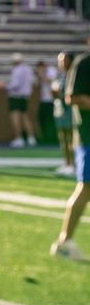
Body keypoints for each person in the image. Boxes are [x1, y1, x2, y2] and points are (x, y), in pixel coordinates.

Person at [53, 42, 90, 261]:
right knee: (85, 188)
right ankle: (64, 241)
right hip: (88, 135)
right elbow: (73, 97)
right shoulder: (84, 63)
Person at [53, 51, 76, 176]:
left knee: (70, 138)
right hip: (59, 109)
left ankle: (73, 164)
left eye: (63, 60)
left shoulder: (73, 74)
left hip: (70, 110)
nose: (61, 63)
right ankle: (67, 163)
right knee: (63, 138)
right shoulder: (60, 75)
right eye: (60, 60)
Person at [7, 52, 37, 147]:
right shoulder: (28, 69)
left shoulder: (17, 70)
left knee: (15, 117)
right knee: (25, 117)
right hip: (25, 96)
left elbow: (15, 85)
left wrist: (6, 87)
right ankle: (31, 138)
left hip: (15, 96)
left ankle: (18, 138)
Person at [36, 59, 57, 146]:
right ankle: (44, 137)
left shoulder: (51, 71)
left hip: (51, 101)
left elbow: (52, 81)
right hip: (43, 100)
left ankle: (53, 138)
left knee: (51, 121)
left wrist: (41, 75)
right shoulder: (41, 73)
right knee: (42, 120)